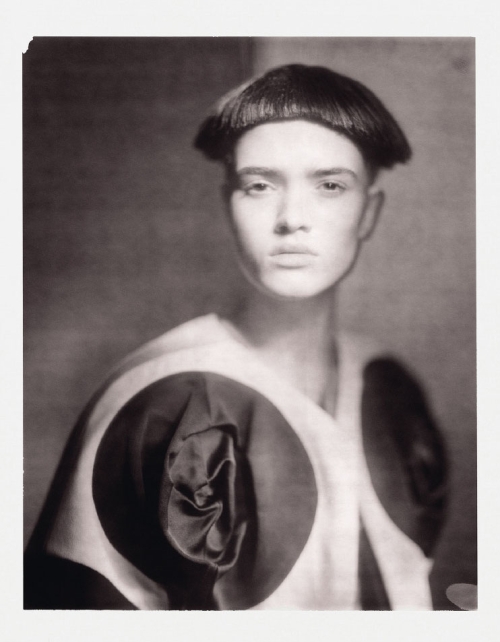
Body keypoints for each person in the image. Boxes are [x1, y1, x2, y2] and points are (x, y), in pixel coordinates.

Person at [24, 64, 448, 610]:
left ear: (369, 212)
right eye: (259, 185)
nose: (291, 218)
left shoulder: (388, 388)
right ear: (228, 203)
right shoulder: (167, 399)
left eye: (330, 186)